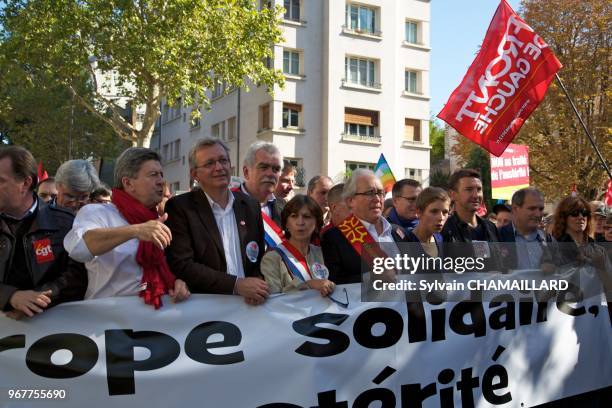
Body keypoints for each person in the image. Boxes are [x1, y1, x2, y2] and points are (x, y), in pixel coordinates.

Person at [64, 148, 189, 308]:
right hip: (107, 325)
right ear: (128, 183)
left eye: (161, 174)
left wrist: (176, 281)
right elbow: (78, 248)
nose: (161, 182)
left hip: (156, 325)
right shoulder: (97, 212)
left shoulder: (162, 219)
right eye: (153, 175)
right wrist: (135, 231)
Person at [165, 138, 269, 305]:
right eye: (209, 163)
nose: (219, 167)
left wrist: (257, 283)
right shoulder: (180, 208)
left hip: (249, 308)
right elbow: (183, 265)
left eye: (223, 160)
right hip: (207, 311)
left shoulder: (250, 205)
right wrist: (236, 285)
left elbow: (257, 258)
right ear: (195, 174)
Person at [0, 146, 86, 319]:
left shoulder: (66, 224)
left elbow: (76, 277)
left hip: (51, 337)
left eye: (0, 180)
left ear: (25, 183)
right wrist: (10, 296)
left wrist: (37, 300)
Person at [321, 169, 406, 284]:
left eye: (380, 193)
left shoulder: (399, 232)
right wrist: (370, 278)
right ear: (351, 201)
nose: (377, 199)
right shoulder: (334, 238)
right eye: (370, 193)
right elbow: (332, 282)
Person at [261, 195, 335, 296]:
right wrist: (307, 285)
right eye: (294, 216)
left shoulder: (324, 253)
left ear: (317, 224)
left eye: (307, 217)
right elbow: (273, 301)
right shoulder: (272, 258)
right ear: (286, 223)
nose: (300, 222)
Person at [442, 169, 501, 270]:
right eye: (469, 189)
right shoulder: (444, 230)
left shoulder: (491, 228)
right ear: (452, 194)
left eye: (479, 189)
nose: (476, 195)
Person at [499, 188, 558, 271]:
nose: (538, 214)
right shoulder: (498, 237)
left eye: (541, 209)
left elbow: (562, 267)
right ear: (515, 209)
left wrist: (553, 265)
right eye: (532, 208)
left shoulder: (548, 240)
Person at [406, 187, 450, 259]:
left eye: (445, 212)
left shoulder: (439, 238)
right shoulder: (405, 242)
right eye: (434, 211)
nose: (441, 218)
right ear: (419, 212)